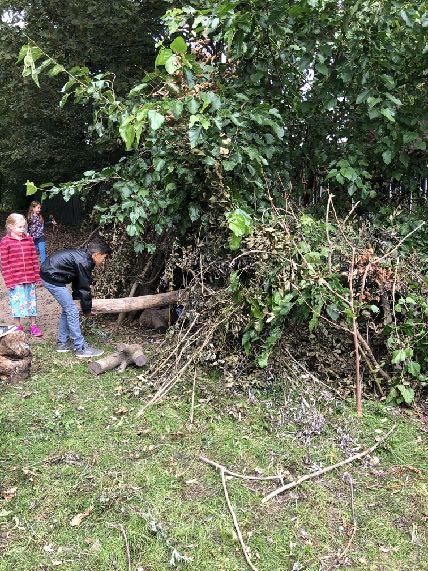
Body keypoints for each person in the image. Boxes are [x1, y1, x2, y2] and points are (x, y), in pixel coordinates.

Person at [40, 237, 111, 357]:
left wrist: (79, 302)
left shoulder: (85, 259)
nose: (104, 261)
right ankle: (80, 348)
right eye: (104, 258)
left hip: (50, 274)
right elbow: (84, 288)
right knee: (72, 311)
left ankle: (62, 343)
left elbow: (78, 283)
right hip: (51, 277)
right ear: (96, 255)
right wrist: (87, 310)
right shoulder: (84, 262)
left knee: (67, 309)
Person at [0, 213, 43, 336]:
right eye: (20, 227)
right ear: (11, 227)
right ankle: (18, 326)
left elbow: (34, 259)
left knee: (31, 302)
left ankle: (33, 326)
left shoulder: (29, 240)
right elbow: (4, 263)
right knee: (17, 302)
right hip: (15, 279)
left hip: (30, 277)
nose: (23, 229)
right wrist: (9, 280)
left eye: (24, 227)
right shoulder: (5, 242)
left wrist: (37, 276)